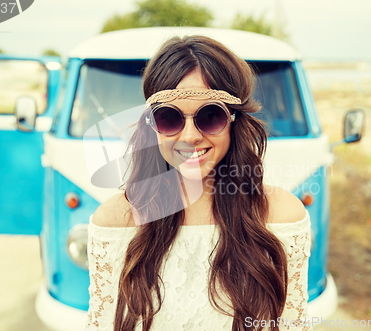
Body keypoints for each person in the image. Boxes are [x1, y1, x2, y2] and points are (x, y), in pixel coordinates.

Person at [85, 34, 313, 331]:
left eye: (210, 116)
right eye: (169, 118)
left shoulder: (281, 216)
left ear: (234, 120)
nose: (190, 136)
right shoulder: (116, 221)